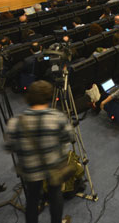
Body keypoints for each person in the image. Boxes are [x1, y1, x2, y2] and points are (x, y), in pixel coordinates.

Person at [4, 81, 74, 223]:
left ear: (29, 97)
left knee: (32, 199)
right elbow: (69, 138)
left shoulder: (15, 122)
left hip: (30, 170)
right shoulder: (58, 117)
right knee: (55, 195)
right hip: (54, 167)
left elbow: (9, 147)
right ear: (49, 97)